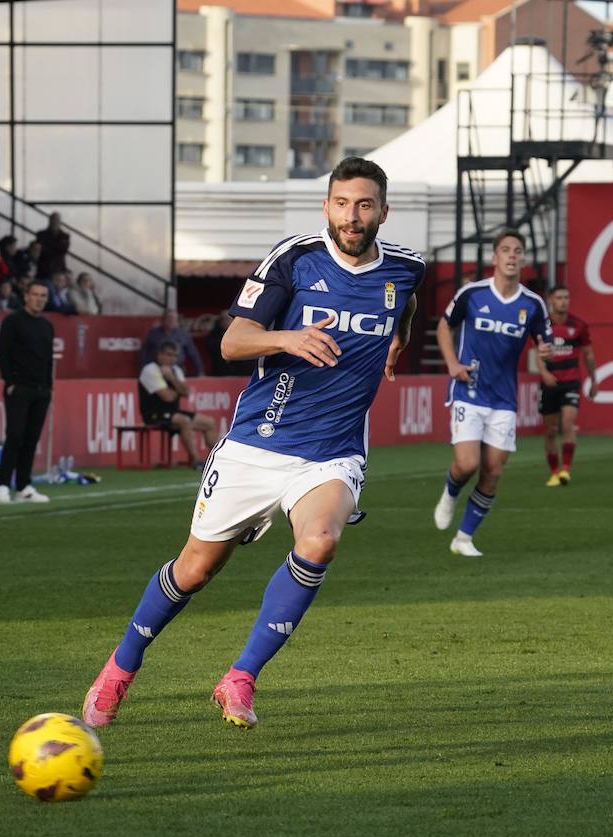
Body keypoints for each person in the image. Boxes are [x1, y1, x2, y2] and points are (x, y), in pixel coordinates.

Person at [82, 156, 424, 729]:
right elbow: (233, 343)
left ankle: (240, 677)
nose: (352, 216)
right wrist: (290, 338)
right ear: (327, 208)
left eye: (364, 205)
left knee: (319, 542)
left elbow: (404, 305)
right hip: (259, 441)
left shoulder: (407, 269)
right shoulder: (295, 259)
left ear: (383, 211)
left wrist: (397, 344)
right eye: (342, 204)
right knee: (194, 570)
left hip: (332, 451)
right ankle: (120, 667)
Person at [431, 229, 552, 558]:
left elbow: (546, 339)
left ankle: (464, 538)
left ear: (523, 259)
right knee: (467, 464)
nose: (512, 255)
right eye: (506, 250)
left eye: (518, 251)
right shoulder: (472, 294)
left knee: (494, 471)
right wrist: (452, 363)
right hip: (469, 389)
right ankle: (450, 492)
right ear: (495, 258)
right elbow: (445, 325)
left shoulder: (533, 304)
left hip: (504, 399)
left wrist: (546, 351)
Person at [0, 279, 54, 505]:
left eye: (43, 296)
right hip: (19, 389)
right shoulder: (13, 321)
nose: (39, 299)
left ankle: (24, 485)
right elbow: (2, 354)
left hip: (41, 390)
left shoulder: (47, 326)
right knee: (15, 436)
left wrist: (49, 388)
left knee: (31, 439)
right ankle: (2, 485)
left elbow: (48, 360)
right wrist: (10, 382)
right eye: (35, 295)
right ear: (26, 296)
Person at [538, 285, 597, 486]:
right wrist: (544, 372)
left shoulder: (578, 325)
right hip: (550, 383)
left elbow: (588, 354)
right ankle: (554, 472)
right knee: (551, 430)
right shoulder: (543, 325)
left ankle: (565, 470)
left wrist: (594, 380)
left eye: (566, 297)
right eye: (559, 297)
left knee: (567, 424)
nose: (564, 301)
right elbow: (539, 352)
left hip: (571, 382)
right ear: (551, 300)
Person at [138, 341, 218, 467]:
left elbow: (186, 392)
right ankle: (196, 460)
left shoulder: (175, 370)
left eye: (175, 356)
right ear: (160, 355)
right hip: (153, 414)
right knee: (184, 420)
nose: (173, 359)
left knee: (209, 422)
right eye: (169, 355)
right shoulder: (150, 370)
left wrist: (171, 378)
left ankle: (217, 459)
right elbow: (167, 397)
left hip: (173, 412)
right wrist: (178, 390)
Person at [140, 308, 205, 376]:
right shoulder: (154, 333)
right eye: (170, 318)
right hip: (158, 370)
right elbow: (145, 353)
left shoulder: (183, 334)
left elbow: (193, 354)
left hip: (177, 370)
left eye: (175, 319)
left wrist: (200, 371)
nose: (172, 321)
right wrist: (143, 369)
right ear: (163, 319)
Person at [35, 211, 70, 279]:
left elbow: (63, 250)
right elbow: (41, 249)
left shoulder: (65, 236)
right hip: (44, 268)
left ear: (60, 222)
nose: (55, 222)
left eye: (57, 220)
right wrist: (56, 247)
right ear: (50, 220)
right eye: (53, 219)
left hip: (58, 267)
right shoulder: (41, 234)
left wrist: (48, 245)